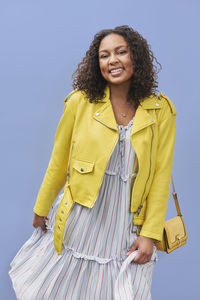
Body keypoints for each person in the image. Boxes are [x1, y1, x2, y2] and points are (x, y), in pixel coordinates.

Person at [9, 25, 176, 299]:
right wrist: (41, 208)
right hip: (82, 217)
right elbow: (58, 162)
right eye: (104, 55)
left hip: (127, 222)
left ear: (136, 56)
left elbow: (160, 176)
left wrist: (150, 233)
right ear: (96, 63)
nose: (112, 61)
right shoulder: (80, 102)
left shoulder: (161, 111)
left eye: (121, 52)